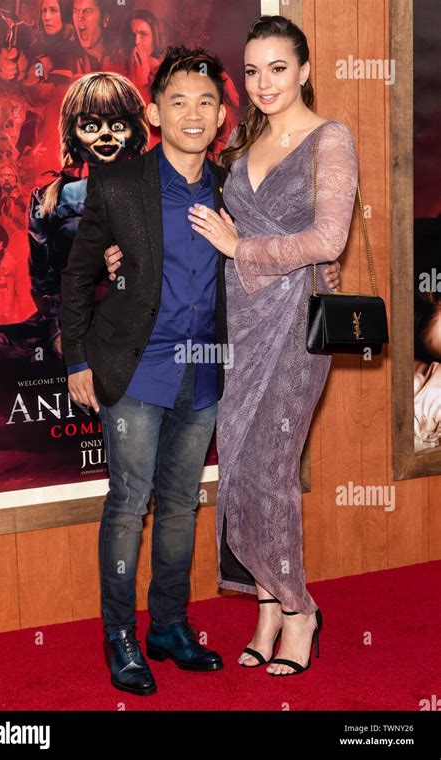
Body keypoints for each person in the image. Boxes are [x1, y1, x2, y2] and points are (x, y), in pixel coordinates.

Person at [61, 45, 341, 696]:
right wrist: (76, 358)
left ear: (221, 117)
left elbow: (275, 253)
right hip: (133, 369)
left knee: (184, 506)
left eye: (207, 101)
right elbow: (75, 277)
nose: (193, 113)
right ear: (155, 112)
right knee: (130, 505)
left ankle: (168, 626)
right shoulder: (119, 182)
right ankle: (120, 637)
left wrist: (321, 270)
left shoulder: (234, 186)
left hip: (207, 369)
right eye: (178, 101)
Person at [187, 15, 359, 676]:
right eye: (253, 70)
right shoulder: (242, 144)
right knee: (240, 467)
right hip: (239, 323)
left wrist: (241, 248)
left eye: (278, 68)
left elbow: (327, 243)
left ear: (305, 70)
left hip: (293, 327)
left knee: (274, 467)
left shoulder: (330, 139)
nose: (264, 83)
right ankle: (265, 605)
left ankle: (299, 612)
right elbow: (208, 226)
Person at [0, 72, 147, 361]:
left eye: (116, 124)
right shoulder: (49, 198)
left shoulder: (156, 191)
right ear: (73, 133)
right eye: (90, 125)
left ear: (135, 130)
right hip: (65, 322)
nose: (105, 135)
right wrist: (59, 334)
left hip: (137, 327)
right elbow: (44, 282)